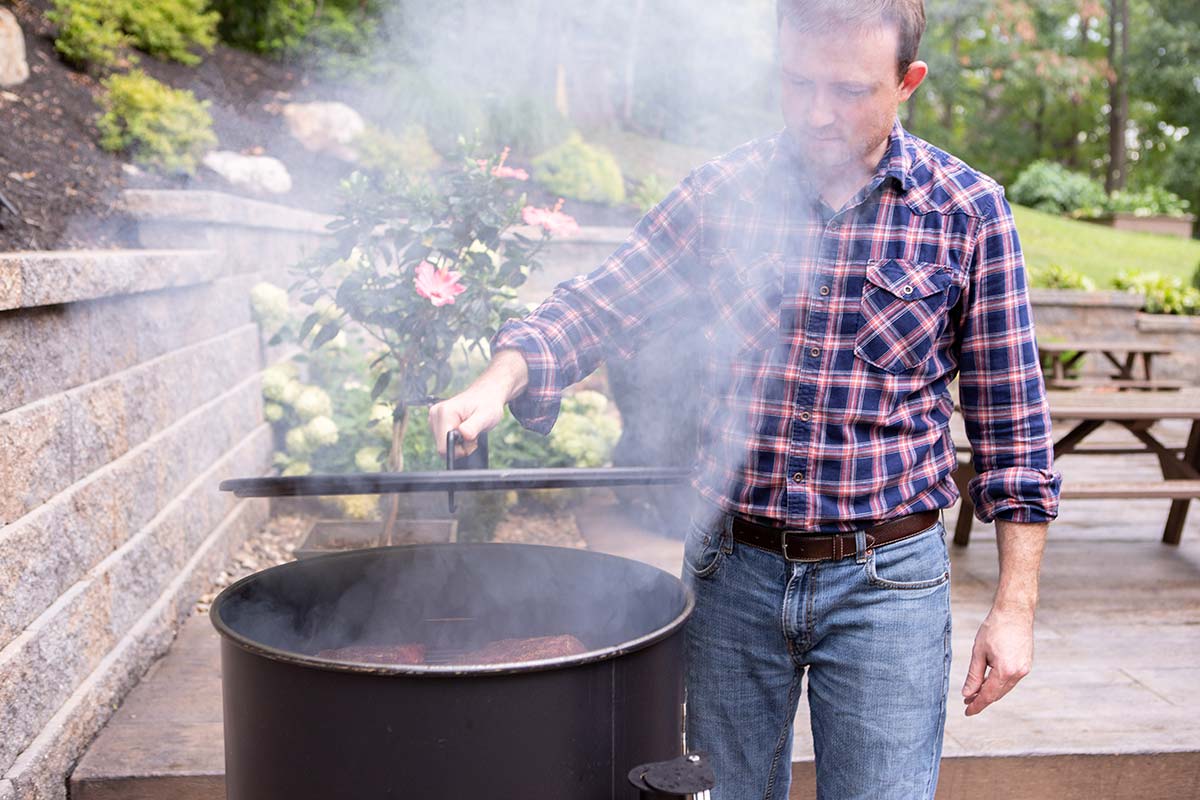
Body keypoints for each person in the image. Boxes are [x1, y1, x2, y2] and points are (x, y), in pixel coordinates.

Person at [430, 1, 1062, 797]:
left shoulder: (968, 213)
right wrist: (499, 380)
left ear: (908, 82)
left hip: (888, 586)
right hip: (732, 571)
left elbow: (1016, 432)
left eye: (849, 89)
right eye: (796, 82)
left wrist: (1015, 608)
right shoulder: (721, 193)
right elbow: (601, 301)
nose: (817, 112)